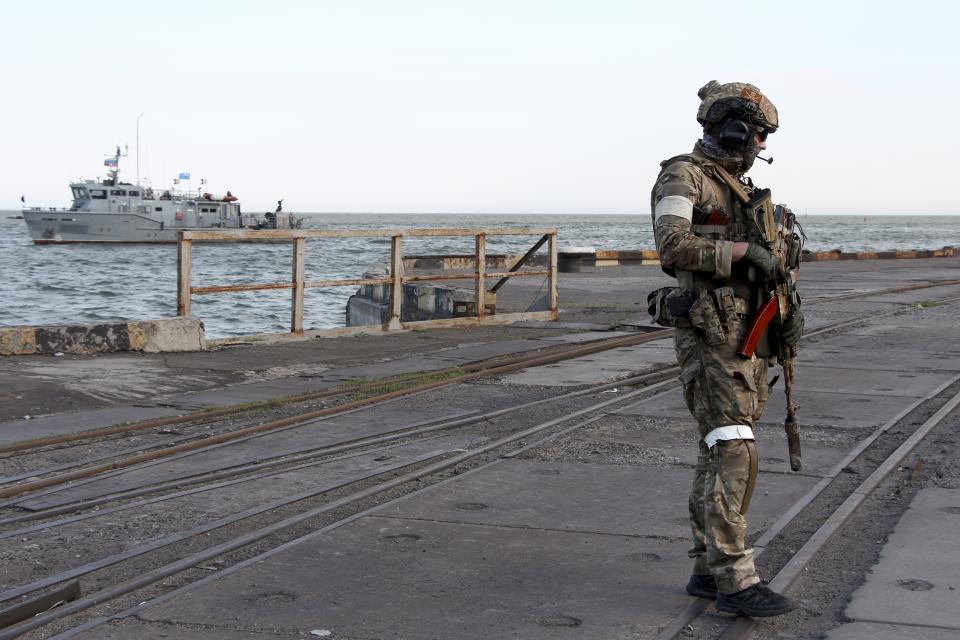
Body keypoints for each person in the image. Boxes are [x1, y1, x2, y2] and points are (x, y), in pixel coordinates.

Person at [648, 81, 804, 617]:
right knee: (735, 449)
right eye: (757, 132)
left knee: (720, 446)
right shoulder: (683, 176)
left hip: (746, 338)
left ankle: (706, 569)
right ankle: (736, 579)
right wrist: (744, 253)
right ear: (733, 128)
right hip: (712, 336)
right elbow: (671, 246)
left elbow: (772, 263)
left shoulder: (740, 190)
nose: (760, 143)